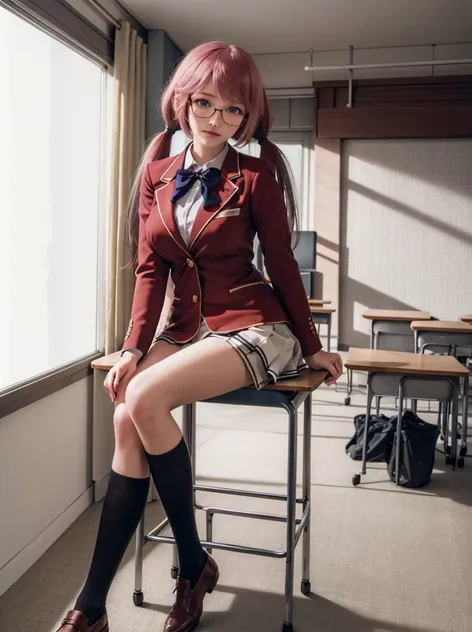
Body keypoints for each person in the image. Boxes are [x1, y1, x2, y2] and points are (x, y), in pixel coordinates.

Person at [58, 41, 343, 632]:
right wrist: (135, 346)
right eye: (205, 103)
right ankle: (95, 605)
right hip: (186, 328)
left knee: (142, 399)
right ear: (182, 101)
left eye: (233, 110)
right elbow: (149, 269)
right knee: (123, 416)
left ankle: (188, 569)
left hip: (254, 325)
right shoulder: (157, 174)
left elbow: (283, 266)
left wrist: (312, 343)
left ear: (247, 118)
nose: (216, 119)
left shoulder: (255, 177)